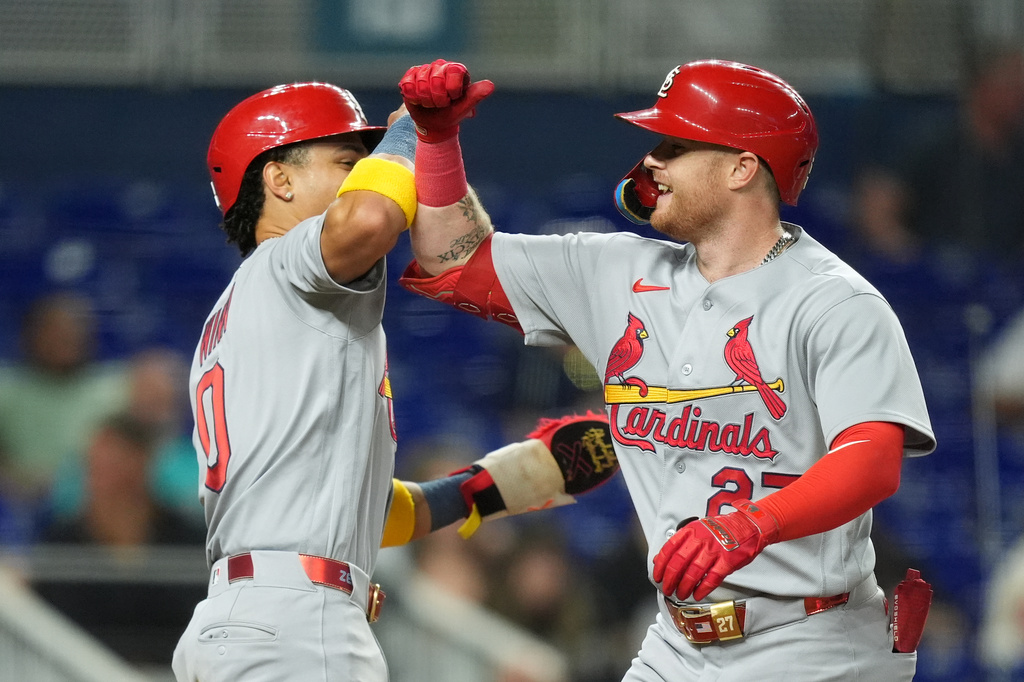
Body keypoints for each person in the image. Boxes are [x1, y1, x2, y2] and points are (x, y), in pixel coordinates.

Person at [397, 59, 937, 680]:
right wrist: (436, 140)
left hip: (810, 642)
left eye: (676, 146)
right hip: (676, 643)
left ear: (741, 168)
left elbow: (873, 459)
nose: (651, 161)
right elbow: (450, 260)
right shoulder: (614, 272)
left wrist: (752, 526)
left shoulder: (835, 302)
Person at [172, 81, 616, 682]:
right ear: (279, 180)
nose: (366, 174)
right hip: (296, 624)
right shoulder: (285, 266)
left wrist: (500, 483)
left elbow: (374, 517)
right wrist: (414, 127)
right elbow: (371, 218)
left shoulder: (245, 316)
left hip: (251, 619)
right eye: (347, 162)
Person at [0, 291, 128, 540]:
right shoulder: (8, 390)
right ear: (32, 335)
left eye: (73, 330)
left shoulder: (115, 389)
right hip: (18, 507)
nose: (64, 338)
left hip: (93, 509)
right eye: (54, 330)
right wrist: (15, 481)